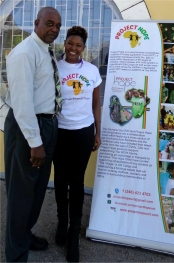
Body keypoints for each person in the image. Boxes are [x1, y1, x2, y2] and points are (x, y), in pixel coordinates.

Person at [4, 7, 61, 262]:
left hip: (46, 125)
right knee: (21, 195)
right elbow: (22, 102)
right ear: (36, 22)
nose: (54, 30)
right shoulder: (25, 52)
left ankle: (25, 236)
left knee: (37, 190)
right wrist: (35, 142)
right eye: (49, 24)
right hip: (28, 128)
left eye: (58, 26)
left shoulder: (44, 50)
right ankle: (16, 255)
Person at [53, 26, 102, 262]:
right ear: (65, 43)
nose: (73, 48)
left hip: (83, 132)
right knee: (61, 180)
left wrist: (97, 133)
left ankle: (74, 235)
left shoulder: (92, 71)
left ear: (84, 48)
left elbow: (96, 104)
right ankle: (62, 223)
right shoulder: (54, 67)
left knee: (78, 181)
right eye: (70, 43)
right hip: (60, 131)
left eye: (78, 45)